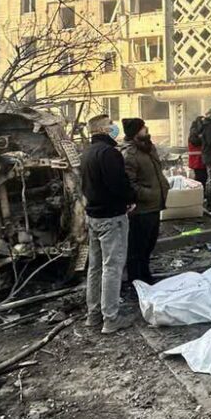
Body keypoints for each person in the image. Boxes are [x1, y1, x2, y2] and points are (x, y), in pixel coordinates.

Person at [79, 114, 136, 334]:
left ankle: (93, 314)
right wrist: (130, 199)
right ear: (103, 130)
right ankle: (110, 318)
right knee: (112, 267)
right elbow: (118, 184)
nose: (114, 127)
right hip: (111, 217)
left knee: (95, 267)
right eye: (110, 124)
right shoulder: (109, 153)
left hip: (93, 216)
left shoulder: (87, 153)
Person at [121, 118, 168, 286]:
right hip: (141, 209)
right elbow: (129, 183)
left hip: (154, 205)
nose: (146, 129)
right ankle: (136, 280)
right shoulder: (130, 154)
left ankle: (146, 274)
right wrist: (148, 194)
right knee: (137, 247)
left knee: (149, 244)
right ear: (135, 132)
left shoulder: (148, 147)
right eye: (142, 127)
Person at [187, 114, 207, 188]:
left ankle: (201, 191)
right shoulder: (195, 132)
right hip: (197, 160)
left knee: (202, 177)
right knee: (200, 178)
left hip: (199, 159)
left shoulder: (195, 131)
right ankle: (200, 192)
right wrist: (203, 138)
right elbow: (195, 142)